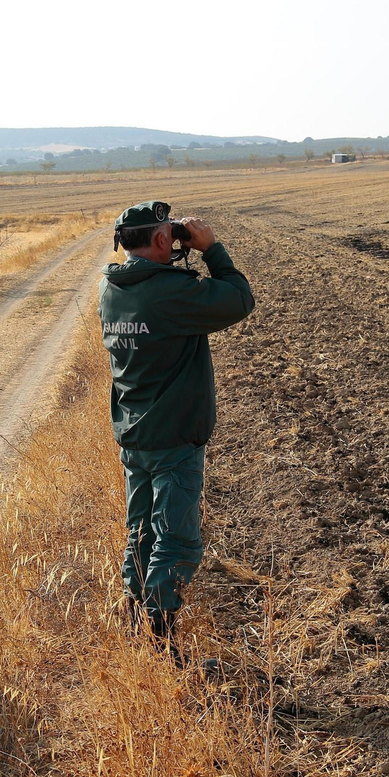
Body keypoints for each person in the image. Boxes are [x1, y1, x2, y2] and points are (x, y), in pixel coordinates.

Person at [98, 200, 255, 646]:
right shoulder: (170, 291)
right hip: (174, 437)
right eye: (169, 232)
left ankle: (135, 620)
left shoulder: (111, 288)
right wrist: (211, 249)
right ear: (162, 238)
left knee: (141, 531)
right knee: (175, 541)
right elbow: (239, 299)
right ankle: (160, 641)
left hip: (134, 433)